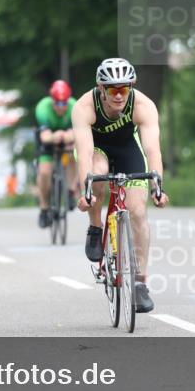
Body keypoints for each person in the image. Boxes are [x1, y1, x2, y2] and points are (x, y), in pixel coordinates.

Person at [72, 58, 169, 313]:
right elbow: (83, 154)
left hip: (127, 149)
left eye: (124, 89)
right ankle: (95, 227)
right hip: (97, 149)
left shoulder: (143, 105)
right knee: (99, 174)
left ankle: (140, 284)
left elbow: (153, 150)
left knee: (137, 210)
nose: (118, 95)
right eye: (112, 89)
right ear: (101, 88)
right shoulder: (84, 107)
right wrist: (87, 192)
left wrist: (158, 186)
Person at [34, 80, 78, 228]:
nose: (61, 107)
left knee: (75, 153)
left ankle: (71, 190)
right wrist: (55, 136)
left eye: (64, 103)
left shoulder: (75, 106)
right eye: (58, 103)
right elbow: (44, 137)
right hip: (48, 140)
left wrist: (67, 136)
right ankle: (44, 208)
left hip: (67, 139)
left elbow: (78, 133)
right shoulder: (43, 108)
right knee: (45, 171)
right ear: (52, 101)